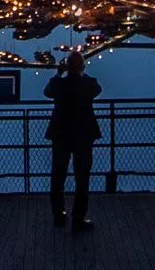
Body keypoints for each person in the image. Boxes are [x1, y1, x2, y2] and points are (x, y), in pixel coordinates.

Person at [43, 50, 102, 229]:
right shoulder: (88, 84)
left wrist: (59, 73)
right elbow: (97, 89)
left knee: (58, 175)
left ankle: (58, 212)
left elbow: (47, 92)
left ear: (66, 66)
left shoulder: (59, 85)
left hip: (61, 134)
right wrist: (81, 71)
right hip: (83, 135)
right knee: (82, 178)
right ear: (82, 66)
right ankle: (78, 218)